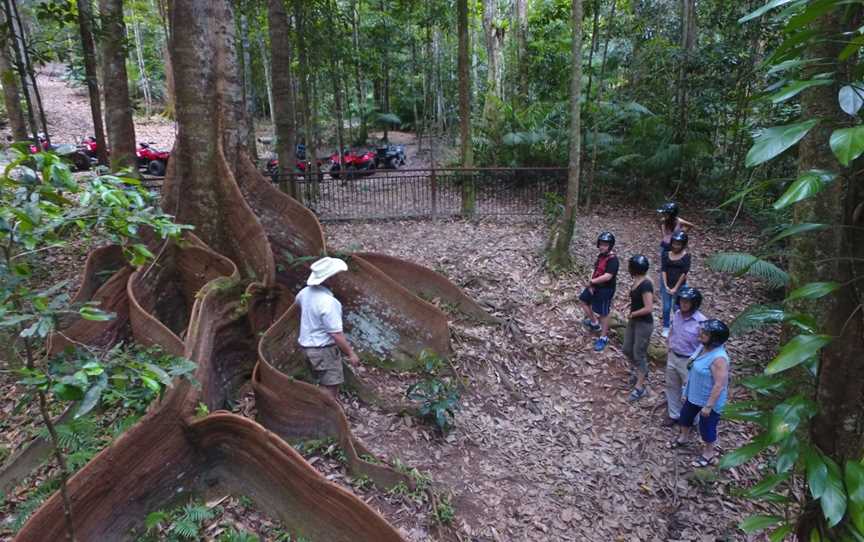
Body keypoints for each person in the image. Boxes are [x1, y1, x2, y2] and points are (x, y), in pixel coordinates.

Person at [296, 256, 361, 401]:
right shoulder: (329, 303)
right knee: (330, 388)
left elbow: (298, 305)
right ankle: (322, 416)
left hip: (306, 348)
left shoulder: (304, 293)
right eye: (336, 275)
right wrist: (351, 354)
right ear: (329, 279)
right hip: (323, 351)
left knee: (320, 382)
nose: (339, 278)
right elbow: (336, 334)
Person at [669, 319, 731, 468]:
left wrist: (708, 406)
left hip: (709, 401)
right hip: (694, 394)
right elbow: (693, 368)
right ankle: (683, 438)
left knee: (707, 427)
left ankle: (709, 454)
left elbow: (719, 384)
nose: (701, 334)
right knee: (685, 417)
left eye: (706, 333)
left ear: (715, 339)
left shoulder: (719, 359)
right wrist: (686, 391)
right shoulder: (702, 348)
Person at [663, 286, 707, 426]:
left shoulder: (701, 321)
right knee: (672, 386)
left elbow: (704, 344)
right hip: (673, 356)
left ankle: (692, 420)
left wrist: (695, 359)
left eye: (687, 301)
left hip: (688, 360)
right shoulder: (676, 314)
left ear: (694, 303)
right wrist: (669, 344)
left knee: (690, 391)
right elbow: (672, 330)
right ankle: (674, 414)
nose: (684, 303)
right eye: (682, 300)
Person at [579, 232, 619, 352]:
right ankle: (594, 322)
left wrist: (592, 281)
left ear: (610, 246)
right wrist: (591, 283)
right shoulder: (601, 256)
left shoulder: (613, 260)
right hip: (595, 286)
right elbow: (596, 269)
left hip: (605, 289)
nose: (602, 246)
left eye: (605, 245)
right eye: (601, 244)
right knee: (583, 300)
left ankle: (603, 337)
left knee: (604, 313)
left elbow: (608, 276)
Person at [623, 254, 654, 402]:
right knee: (627, 349)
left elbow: (648, 308)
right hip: (634, 321)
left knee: (639, 353)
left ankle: (639, 387)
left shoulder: (646, 284)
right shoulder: (637, 281)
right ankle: (641, 371)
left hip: (644, 323)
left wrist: (633, 313)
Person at [660, 231, 692, 337]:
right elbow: (663, 269)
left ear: (683, 244)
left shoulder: (686, 256)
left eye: (678, 243)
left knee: (677, 307)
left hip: (680, 286)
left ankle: (677, 327)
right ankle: (666, 326)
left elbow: (684, 273)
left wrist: (675, 288)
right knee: (666, 307)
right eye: (674, 243)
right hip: (667, 284)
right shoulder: (666, 254)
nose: (676, 245)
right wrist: (665, 285)